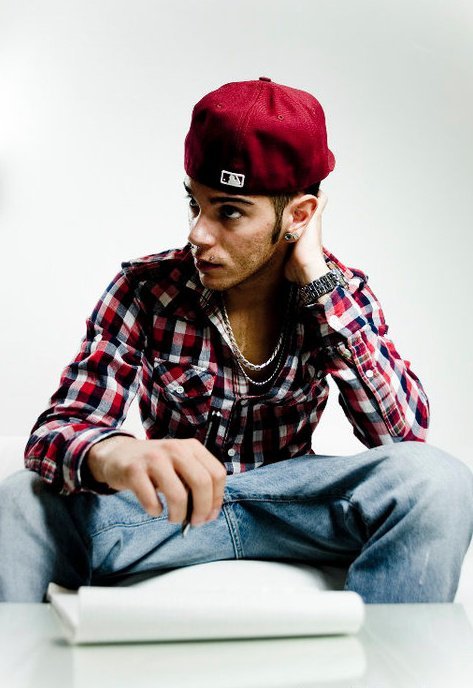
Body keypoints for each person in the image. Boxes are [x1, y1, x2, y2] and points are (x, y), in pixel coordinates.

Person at [1, 77, 472, 603]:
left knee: (439, 482)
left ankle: (387, 655)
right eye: (195, 204)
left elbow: (402, 440)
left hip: (294, 507)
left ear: (299, 215)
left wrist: (318, 285)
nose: (198, 234)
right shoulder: (146, 289)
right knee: (20, 499)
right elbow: (58, 430)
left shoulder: (338, 294)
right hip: (166, 510)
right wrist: (117, 453)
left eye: (229, 211)